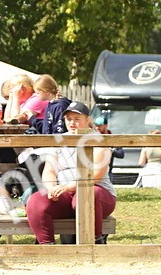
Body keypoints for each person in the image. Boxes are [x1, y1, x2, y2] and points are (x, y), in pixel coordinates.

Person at [25, 101, 116, 245]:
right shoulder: (60, 140)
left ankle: (94, 242)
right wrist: (52, 188)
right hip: (65, 194)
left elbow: (96, 175)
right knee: (36, 200)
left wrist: (67, 187)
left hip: (97, 193)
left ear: (87, 120)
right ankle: (47, 247)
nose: (72, 123)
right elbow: (49, 170)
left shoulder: (100, 141)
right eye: (69, 119)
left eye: (77, 119)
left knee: (88, 194)